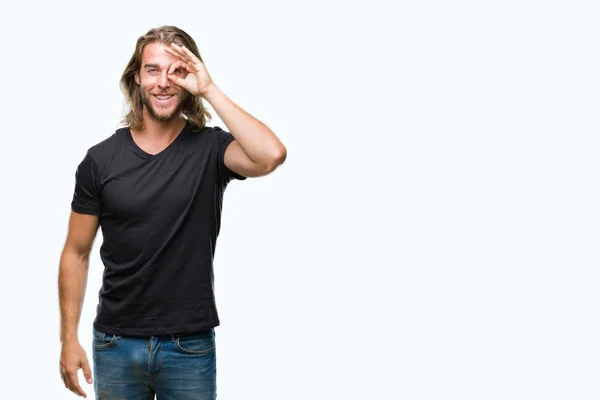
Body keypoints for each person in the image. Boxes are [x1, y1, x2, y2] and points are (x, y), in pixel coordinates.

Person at [58, 25, 286, 399]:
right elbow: (76, 251)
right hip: (115, 344)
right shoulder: (99, 160)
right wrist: (69, 339)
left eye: (177, 71)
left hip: (189, 346)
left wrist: (210, 88)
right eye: (152, 70)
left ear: (190, 78)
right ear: (136, 78)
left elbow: (271, 155)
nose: (163, 82)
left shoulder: (212, 149)